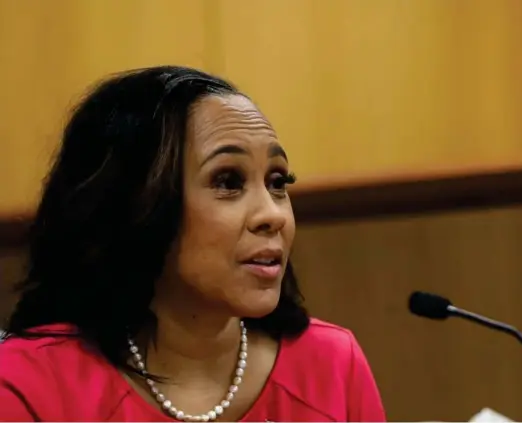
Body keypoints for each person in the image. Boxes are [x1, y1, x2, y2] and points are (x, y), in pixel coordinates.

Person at [0, 66, 386, 422]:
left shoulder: (332, 364)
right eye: (228, 181)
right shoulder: (26, 383)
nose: (274, 215)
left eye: (278, 182)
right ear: (136, 204)